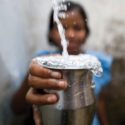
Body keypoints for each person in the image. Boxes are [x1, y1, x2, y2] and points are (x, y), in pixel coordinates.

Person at [10, 1, 112, 125]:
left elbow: (99, 102)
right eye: (62, 28)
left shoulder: (96, 63)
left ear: (86, 32)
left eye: (77, 28)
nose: (70, 34)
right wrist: (31, 79)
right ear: (51, 33)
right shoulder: (41, 62)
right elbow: (17, 108)